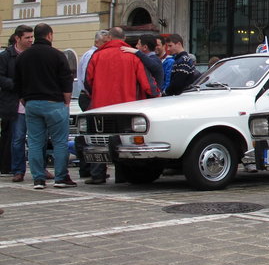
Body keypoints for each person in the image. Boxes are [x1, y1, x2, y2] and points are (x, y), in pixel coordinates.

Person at [85, 27, 162, 184]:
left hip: (101, 106)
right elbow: (147, 83)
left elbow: (88, 82)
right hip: (126, 106)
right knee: (123, 141)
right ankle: (122, 176)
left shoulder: (97, 55)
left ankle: (97, 175)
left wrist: (95, 95)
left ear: (109, 38)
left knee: (99, 140)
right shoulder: (132, 57)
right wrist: (156, 94)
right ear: (124, 39)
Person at [13, 23, 74, 189]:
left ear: (36, 35)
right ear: (49, 36)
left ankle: (38, 179)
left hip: (31, 104)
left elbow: (17, 81)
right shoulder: (57, 55)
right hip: (54, 103)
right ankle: (60, 178)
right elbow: (66, 79)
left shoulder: (23, 57)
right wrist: (66, 99)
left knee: (34, 142)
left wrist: (23, 99)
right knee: (59, 142)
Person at [0, 25, 34, 183]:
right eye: (27, 37)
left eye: (32, 37)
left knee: (37, 139)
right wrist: (17, 84)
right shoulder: (6, 56)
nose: (31, 40)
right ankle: (18, 170)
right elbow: (1, 78)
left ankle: (38, 169)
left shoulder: (34, 53)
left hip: (34, 101)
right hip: (15, 103)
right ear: (17, 38)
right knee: (18, 138)